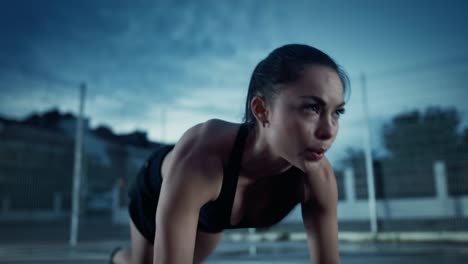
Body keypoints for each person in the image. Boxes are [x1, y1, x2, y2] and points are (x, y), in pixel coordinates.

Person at [111, 43, 349, 264]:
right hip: (161, 187)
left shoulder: (319, 177)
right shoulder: (202, 160)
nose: (329, 131)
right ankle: (119, 258)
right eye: (312, 108)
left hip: (212, 207)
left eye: (337, 112)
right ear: (262, 110)